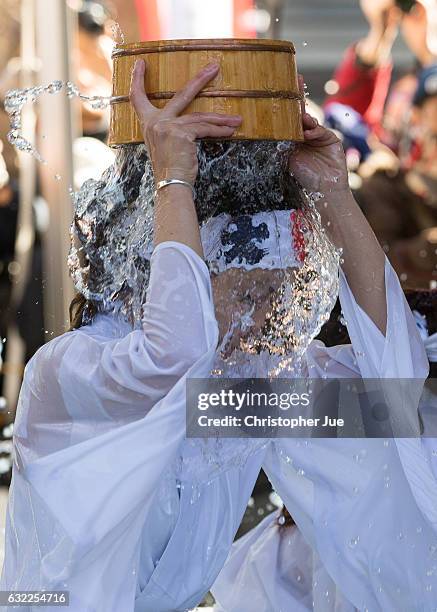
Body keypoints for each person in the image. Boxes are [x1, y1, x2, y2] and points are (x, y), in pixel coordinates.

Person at [0, 59, 432, 612]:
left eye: (274, 296)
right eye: (243, 295)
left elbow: (389, 396)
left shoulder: (233, 395)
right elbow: (172, 355)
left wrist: (334, 194)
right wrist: (173, 180)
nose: (260, 321)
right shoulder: (71, 372)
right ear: (163, 274)